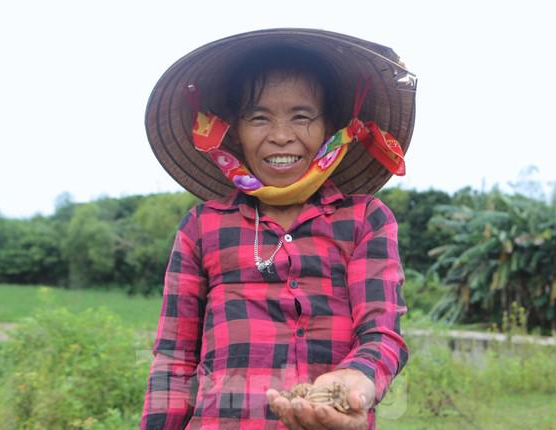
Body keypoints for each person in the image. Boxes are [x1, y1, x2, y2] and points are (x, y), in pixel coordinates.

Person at [140, 28, 416, 430]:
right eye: (259, 117)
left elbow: (381, 333)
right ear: (234, 130)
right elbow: (173, 360)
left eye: (301, 117)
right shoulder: (202, 227)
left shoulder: (364, 220)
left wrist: (357, 379)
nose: (281, 136)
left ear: (331, 127)